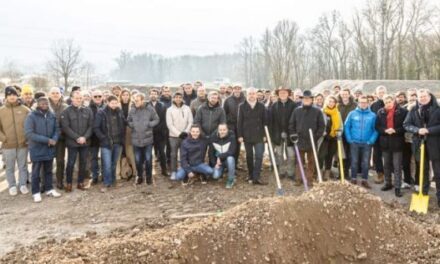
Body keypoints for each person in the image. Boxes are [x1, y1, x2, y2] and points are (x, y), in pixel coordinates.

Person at [404, 89, 440, 206]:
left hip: (435, 144)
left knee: (438, 172)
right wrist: (417, 130)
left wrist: (429, 130)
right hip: (419, 144)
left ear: (429, 96)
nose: (422, 99)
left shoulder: (437, 108)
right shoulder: (414, 109)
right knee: (423, 171)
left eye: (424, 96)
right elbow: (406, 124)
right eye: (420, 97)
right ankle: (424, 193)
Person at [24, 97, 62, 202]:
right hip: (37, 148)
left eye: (46, 103)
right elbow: (29, 133)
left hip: (49, 148)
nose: (44, 105)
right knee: (36, 172)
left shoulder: (52, 115)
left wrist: (54, 139)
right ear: (37, 104)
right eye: (42, 103)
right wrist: (47, 140)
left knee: (48, 170)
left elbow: (57, 129)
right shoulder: (31, 116)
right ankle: (35, 192)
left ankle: (49, 189)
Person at [288, 90, 325, 187]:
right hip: (299, 140)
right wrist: (293, 135)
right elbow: (291, 124)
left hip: (312, 140)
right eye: (304, 98)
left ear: (312, 100)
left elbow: (322, 126)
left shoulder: (317, 111)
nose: (306, 100)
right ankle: (299, 179)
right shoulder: (297, 111)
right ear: (302, 99)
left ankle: (309, 179)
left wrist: (316, 136)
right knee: (299, 161)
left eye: (308, 98)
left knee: (311, 161)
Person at [0, 86, 31, 196]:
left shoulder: (25, 110)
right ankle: (12, 185)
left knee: (23, 166)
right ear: (6, 97)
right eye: (9, 95)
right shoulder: (1, 111)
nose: (12, 97)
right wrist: (4, 139)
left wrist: (27, 138)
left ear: (17, 96)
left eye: (14, 95)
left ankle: (22, 184)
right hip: (8, 145)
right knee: (10, 167)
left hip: (23, 144)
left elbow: (31, 126)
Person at [61, 90, 94, 192]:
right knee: (70, 163)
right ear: (72, 98)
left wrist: (85, 137)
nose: (79, 100)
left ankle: (80, 183)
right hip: (72, 143)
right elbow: (65, 127)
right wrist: (77, 138)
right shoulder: (66, 111)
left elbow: (91, 126)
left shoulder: (88, 110)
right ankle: (69, 183)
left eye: (80, 98)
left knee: (83, 163)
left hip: (85, 142)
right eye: (76, 98)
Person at [375, 94, 408, 197]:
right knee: (386, 165)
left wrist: (395, 130)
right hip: (385, 142)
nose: (388, 104)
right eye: (386, 102)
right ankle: (388, 183)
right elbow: (377, 126)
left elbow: (405, 126)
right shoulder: (380, 112)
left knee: (397, 166)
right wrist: (385, 130)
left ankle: (397, 187)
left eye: (390, 102)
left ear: (394, 101)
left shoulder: (402, 111)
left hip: (397, 142)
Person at [344, 95, 378, 189]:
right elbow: (346, 126)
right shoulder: (352, 113)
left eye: (365, 102)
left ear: (368, 103)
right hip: (354, 142)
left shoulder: (372, 115)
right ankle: (353, 178)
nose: (363, 104)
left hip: (367, 143)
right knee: (354, 161)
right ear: (358, 103)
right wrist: (349, 139)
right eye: (361, 102)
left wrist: (371, 140)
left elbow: (376, 129)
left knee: (365, 162)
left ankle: (364, 180)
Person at [93, 95, 125, 192]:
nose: (114, 105)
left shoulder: (119, 111)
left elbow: (124, 123)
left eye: (116, 103)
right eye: (112, 103)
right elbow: (96, 128)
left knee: (114, 163)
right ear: (107, 102)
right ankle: (107, 183)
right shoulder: (101, 112)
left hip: (118, 142)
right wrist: (103, 138)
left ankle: (113, 180)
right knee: (107, 164)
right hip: (106, 143)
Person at [128, 93, 159, 185]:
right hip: (136, 139)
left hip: (147, 139)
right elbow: (128, 120)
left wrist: (149, 125)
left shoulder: (149, 108)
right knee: (137, 160)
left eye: (137, 100)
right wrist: (132, 125)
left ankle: (149, 177)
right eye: (134, 100)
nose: (135, 102)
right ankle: (140, 177)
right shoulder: (132, 110)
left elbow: (157, 119)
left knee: (148, 159)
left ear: (142, 100)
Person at [238, 87, 267, 185]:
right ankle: (250, 175)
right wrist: (240, 135)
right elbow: (239, 122)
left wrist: (264, 135)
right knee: (249, 156)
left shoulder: (261, 106)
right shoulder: (242, 106)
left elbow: (265, 121)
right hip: (247, 136)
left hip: (259, 136)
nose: (251, 95)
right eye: (250, 94)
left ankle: (256, 177)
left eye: (253, 93)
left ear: (256, 95)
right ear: (247, 95)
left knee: (259, 156)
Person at [269, 86, 297, 181]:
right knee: (279, 154)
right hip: (277, 134)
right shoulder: (274, 106)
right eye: (281, 93)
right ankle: (281, 171)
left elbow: (295, 120)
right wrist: (274, 134)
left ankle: (290, 172)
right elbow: (271, 121)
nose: (283, 94)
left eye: (285, 92)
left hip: (290, 134)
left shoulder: (294, 105)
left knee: (291, 155)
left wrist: (292, 132)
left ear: (288, 94)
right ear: (278, 94)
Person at [194, 91, 226, 166]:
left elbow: (222, 123)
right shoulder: (201, 108)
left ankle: (212, 170)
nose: (213, 99)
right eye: (212, 97)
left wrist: (214, 134)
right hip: (202, 136)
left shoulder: (221, 110)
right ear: (208, 98)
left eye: (215, 98)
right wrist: (202, 133)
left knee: (212, 155)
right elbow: (197, 121)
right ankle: (200, 171)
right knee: (200, 154)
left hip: (214, 136)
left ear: (218, 99)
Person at [166, 92, 193, 180]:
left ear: (182, 98)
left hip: (185, 136)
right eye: (176, 97)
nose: (178, 99)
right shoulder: (169, 110)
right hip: (173, 136)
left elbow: (190, 121)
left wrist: (185, 131)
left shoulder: (187, 108)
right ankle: (174, 171)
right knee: (173, 154)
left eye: (180, 97)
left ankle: (184, 170)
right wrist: (178, 133)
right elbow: (169, 124)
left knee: (184, 154)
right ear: (173, 98)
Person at [48, 87, 68, 189]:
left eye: (57, 93)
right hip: (48, 139)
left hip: (61, 139)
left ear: (61, 94)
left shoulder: (65, 107)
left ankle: (60, 180)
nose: (55, 95)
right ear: (49, 94)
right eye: (53, 93)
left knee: (60, 161)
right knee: (48, 161)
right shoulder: (45, 105)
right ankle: (47, 182)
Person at [319, 95, 342, 180]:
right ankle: (320, 172)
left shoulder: (337, 113)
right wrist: (323, 133)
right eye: (330, 101)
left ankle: (327, 173)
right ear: (326, 102)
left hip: (334, 137)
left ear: (335, 103)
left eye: (333, 102)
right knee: (321, 155)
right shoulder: (322, 112)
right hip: (324, 137)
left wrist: (339, 133)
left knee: (330, 156)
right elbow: (319, 124)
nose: (331, 103)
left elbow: (341, 126)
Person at [223, 84, 245, 166]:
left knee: (238, 146)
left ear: (241, 89)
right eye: (235, 88)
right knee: (230, 145)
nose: (237, 90)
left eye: (239, 88)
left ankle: (235, 164)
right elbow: (224, 113)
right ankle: (228, 164)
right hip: (230, 126)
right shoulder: (228, 100)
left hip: (240, 126)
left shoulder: (244, 99)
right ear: (233, 89)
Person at [117, 88, 137, 180]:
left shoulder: (133, 106)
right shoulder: (117, 106)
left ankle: (134, 171)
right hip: (119, 131)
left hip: (129, 131)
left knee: (130, 152)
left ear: (129, 96)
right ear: (121, 96)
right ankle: (120, 172)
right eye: (123, 95)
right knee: (120, 153)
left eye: (127, 95)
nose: (125, 97)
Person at [338, 88, 357, 179]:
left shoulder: (354, 105)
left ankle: (347, 173)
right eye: (343, 94)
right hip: (340, 133)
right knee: (340, 154)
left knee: (349, 154)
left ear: (349, 95)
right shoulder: (338, 105)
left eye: (346, 94)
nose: (344, 96)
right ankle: (340, 172)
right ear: (340, 95)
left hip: (351, 132)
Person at [149, 89, 169, 176]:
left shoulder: (162, 105)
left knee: (162, 153)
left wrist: (160, 129)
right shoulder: (146, 105)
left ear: (157, 95)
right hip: (149, 133)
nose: (153, 95)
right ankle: (149, 171)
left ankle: (164, 170)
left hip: (160, 133)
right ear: (149, 95)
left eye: (155, 94)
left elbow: (164, 120)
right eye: (151, 94)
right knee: (149, 153)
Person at [211, 123, 237, 188]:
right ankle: (221, 172)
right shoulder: (213, 138)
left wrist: (219, 156)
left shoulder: (232, 137)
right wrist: (214, 164)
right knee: (215, 176)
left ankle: (231, 179)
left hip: (228, 161)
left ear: (227, 130)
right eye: (220, 130)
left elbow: (231, 152)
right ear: (218, 130)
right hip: (219, 163)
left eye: (224, 130)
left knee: (230, 158)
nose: (222, 131)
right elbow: (210, 153)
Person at [88, 89, 105, 184]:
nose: (98, 98)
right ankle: (95, 175)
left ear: (102, 97)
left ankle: (103, 174)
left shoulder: (107, 107)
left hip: (103, 137)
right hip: (92, 137)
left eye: (99, 96)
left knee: (104, 157)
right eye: (95, 96)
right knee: (93, 158)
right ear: (92, 97)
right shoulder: (87, 108)